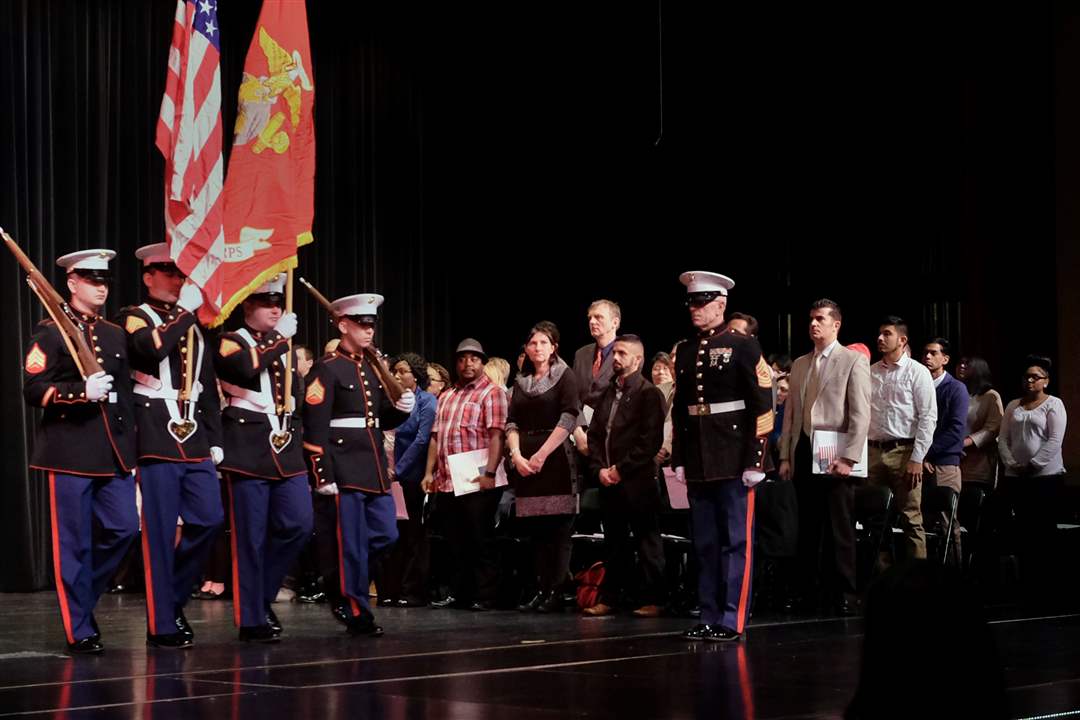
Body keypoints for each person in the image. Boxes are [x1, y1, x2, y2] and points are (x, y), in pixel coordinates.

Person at [23, 249, 139, 654]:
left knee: (125, 528)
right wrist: (78, 392)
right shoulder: (50, 332)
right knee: (73, 543)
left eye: (104, 280)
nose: (100, 286)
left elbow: (124, 397)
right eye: (91, 280)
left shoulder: (113, 334)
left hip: (112, 452)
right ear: (72, 284)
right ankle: (79, 628)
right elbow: (33, 389)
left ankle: (80, 598)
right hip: (69, 451)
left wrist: (132, 452)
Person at [119, 243, 224, 648]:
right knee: (160, 534)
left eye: (181, 274)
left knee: (210, 520)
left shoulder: (192, 324)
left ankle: (172, 599)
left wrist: (215, 439)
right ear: (149, 277)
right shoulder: (132, 317)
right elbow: (150, 348)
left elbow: (207, 388)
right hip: (155, 432)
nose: (177, 280)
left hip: (193, 433)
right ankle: (161, 622)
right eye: (168, 273)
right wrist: (187, 315)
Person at [302, 293, 414, 635]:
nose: (368, 331)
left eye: (371, 325)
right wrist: (321, 473)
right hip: (342, 466)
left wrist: (401, 409)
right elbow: (315, 424)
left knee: (385, 534)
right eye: (361, 324)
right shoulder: (327, 368)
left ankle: (339, 580)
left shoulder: (371, 366)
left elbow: (376, 418)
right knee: (349, 544)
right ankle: (355, 609)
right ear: (343, 324)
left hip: (372, 465)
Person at [671, 271, 773, 642]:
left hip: (733, 455)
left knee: (735, 541)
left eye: (701, 303)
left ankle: (732, 618)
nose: (695, 309)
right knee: (706, 541)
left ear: (720, 304)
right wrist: (679, 457)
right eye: (691, 303)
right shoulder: (683, 349)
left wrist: (756, 460)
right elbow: (681, 409)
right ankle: (709, 613)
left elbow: (762, 404)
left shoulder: (742, 345)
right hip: (699, 455)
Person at [214, 274, 312, 642]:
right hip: (247, 445)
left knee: (299, 524)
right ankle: (252, 617)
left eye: (278, 302)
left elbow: (296, 394)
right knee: (250, 538)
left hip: (285, 446)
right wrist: (277, 338)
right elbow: (241, 369)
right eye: (267, 302)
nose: (276, 308)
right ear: (247, 306)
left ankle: (262, 594)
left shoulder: (283, 345)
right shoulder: (229, 342)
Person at [778, 299, 870, 615]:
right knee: (808, 524)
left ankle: (844, 591)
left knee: (839, 524)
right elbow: (791, 412)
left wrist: (850, 458)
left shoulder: (852, 361)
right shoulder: (802, 363)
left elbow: (861, 414)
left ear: (836, 324)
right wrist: (786, 455)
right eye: (811, 319)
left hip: (835, 449)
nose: (813, 324)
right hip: (806, 448)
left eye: (820, 319)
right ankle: (808, 589)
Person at [583, 335, 666, 617]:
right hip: (608, 479)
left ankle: (652, 597)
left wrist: (620, 468)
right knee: (614, 542)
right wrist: (599, 470)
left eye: (621, 353)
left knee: (647, 541)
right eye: (614, 352)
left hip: (637, 481)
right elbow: (594, 435)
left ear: (637, 359)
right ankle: (613, 597)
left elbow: (649, 442)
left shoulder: (648, 393)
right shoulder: (607, 391)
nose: (615, 358)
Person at [422, 339, 508, 611]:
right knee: (454, 539)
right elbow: (436, 437)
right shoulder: (447, 395)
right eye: (462, 359)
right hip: (448, 479)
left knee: (479, 537)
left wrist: (490, 473)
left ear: (482, 362)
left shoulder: (491, 393)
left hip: (477, 476)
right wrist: (429, 472)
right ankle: (462, 593)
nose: (467, 363)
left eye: (473, 358)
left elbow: (497, 435)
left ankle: (486, 595)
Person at [506, 321, 582, 612]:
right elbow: (511, 422)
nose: (538, 348)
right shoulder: (520, 382)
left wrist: (541, 455)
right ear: (526, 348)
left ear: (554, 348)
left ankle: (557, 590)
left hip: (556, 459)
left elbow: (569, 416)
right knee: (536, 532)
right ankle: (541, 589)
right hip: (526, 460)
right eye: (533, 343)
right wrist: (517, 455)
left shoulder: (565, 376)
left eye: (543, 343)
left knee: (558, 531)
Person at [866, 316, 937, 563]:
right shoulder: (871, 371)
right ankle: (881, 578)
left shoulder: (917, 372)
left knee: (911, 518)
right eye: (879, 334)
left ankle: (918, 582)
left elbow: (928, 417)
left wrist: (917, 457)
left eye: (887, 334)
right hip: (873, 450)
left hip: (904, 450)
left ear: (902, 339)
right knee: (874, 519)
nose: (880, 338)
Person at [379, 352, 437, 607]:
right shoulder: (392, 399)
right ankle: (388, 590)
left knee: (413, 535)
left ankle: (412, 591)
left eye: (403, 371)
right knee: (391, 535)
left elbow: (422, 440)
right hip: (386, 475)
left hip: (410, 476)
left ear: (416, 374)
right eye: (396, 371)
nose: (398, 375)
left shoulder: (427, 402)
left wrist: (398, 470)